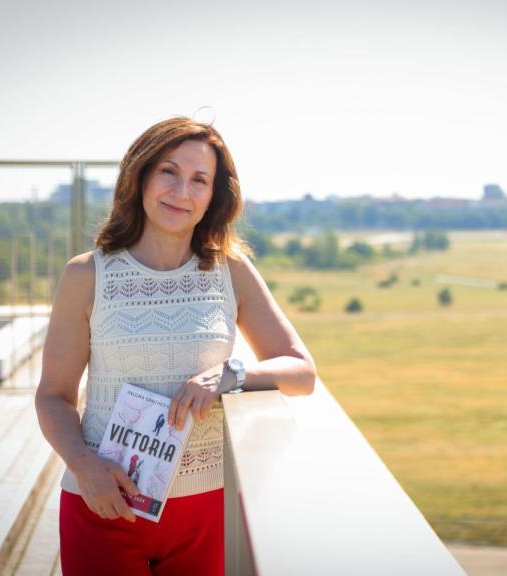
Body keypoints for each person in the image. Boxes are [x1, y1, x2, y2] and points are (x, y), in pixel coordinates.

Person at [35, 116, 317, 575]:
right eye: (168, 171)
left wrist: (230, 374)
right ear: (140, 177)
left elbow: (301, 372)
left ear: (213, 196)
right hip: (104, 501)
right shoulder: (86, 275)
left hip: (205, 509)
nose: (181, 191)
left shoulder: (232, 271)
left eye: (198, 180)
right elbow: (53, 396)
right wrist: (85, 466)